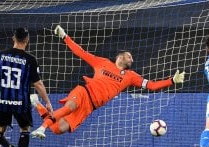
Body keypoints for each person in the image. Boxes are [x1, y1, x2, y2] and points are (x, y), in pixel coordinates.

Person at [30, 25, 185, 139]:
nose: (132, 59)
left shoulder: (131, 76)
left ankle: (37, 104)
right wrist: (65, 36)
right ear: (121, 57)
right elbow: (81, 53)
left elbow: (151, 85)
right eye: (129, 56)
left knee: (58, 129)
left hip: (90, 106)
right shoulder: (102, 63)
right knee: (69, 107)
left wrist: (171, 81)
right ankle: (42, 128)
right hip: (84, 92)